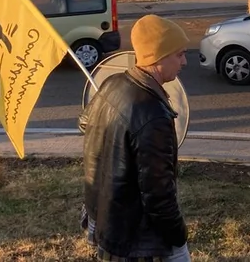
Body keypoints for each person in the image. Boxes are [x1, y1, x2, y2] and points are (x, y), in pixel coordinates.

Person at [80, 14, 192, 262]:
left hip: (105, 217)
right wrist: (179, 236)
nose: (184, 62)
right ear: (158, 56)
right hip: (136, 239)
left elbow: (85, 123)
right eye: (179, 55)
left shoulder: (112, 83)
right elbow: (159, 197)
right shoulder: (153, 115)